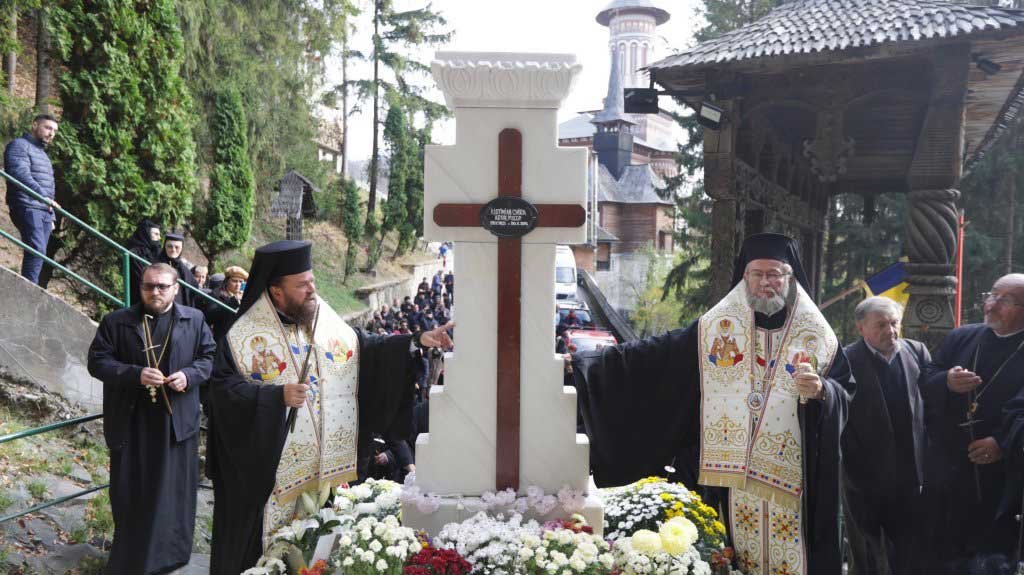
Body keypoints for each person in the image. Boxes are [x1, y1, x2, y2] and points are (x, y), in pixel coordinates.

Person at [570, 233, 854, 575]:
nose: (766, 283)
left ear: (790, 279)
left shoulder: (817, 336)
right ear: (744, 278)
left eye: (775, 274)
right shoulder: (716, 327)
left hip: (794, 482)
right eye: (757, 274)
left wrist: (823, 391)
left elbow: (846, 391)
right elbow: (658, 356)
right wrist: (591, 364)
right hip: (729, 482)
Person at [204, 240, 453, 575]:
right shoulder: (242, 336)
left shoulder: (322, 318)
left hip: (324, 474)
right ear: (276, 291)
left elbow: (364, 348)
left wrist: (416, 340)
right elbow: (221, 393)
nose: (312, 290)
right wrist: (274, 397)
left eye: (313, 281)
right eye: (302, 284)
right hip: (268, 480)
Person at [86, 263, 216, 574]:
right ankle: (131, 559)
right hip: (132, 421)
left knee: (172, 492)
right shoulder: (117, 322)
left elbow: (209, 358)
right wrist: (135, 374)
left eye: (162, 286)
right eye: (148, 286)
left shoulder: (195, 320)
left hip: (176, 423)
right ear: (141, 287)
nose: (155, 291)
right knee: (132, 491)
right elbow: (97, 362)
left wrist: (189, 375)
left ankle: (170, 555)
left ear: (175, 289)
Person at [925, 273, 1024, 569]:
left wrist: (1002, 443)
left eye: (1004, 300)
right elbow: (926, 377)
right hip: (951, 471)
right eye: (991, 295)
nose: (991, 305)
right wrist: (947, 382)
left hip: (1003, 479)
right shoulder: (962, 336)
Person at [841, 297, 932, 575]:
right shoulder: (845, 359)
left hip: (910, 474)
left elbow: (933, 403)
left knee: (909, 550)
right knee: (867, 553)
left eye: (895, 323)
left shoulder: (917, 352)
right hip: (863, 476)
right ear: (861, 327)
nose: (891, 331)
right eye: (881, 325)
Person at [5, 113, 59, 285]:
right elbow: (19, 174)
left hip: (44, 210)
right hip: (27, 205)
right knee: (36, 249)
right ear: (35, 125)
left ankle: (30, 287)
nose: (51, 133)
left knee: (40, 252)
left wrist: (52, 216)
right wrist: (41, 196)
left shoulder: (44, 156)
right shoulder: (19, 145)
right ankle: (29, 288)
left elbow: (49, 188)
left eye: (54, 131)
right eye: (47, 128)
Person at [204, 265, 248, 343]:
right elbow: (209, 316)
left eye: (241, 282)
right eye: (234, 281)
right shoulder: (216, 294)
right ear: (227, 281)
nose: (238, 285)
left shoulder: (245, 298)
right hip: (219, 340)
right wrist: (233, 301)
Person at [124, 219, 162, 307]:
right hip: (138, 297)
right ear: (146, 234)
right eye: (155, 234)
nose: (159, 238)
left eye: (159, 234)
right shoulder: (135, 253)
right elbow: (141, 275)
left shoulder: (157, 252)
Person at [158, 232, 197, 307]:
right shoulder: (156, 264)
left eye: (177, 247)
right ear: (164, 247)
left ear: (181, 248)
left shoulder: (184, 269)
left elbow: (193, 287)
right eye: (170, 246)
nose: (173, 250)